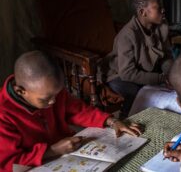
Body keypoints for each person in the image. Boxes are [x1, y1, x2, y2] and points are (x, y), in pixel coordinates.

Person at [0, 51, 142, 171]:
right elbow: (9, 163)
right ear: (21, 91)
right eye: (45, 99)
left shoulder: (50, 91)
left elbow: (77, 110)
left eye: (56, 94)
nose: (53, 102)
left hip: (69, 152)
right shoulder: (3, 114)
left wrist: (112, 121)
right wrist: (52, 151)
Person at [103, 0, 173, 117]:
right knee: (137, 94)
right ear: (143, 12)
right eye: (158, 7)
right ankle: (125, 121)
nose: (163, 10)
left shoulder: (161, 26)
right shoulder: (127, 36)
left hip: (145, 72)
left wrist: (170, 74)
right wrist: (160, 78)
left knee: (173, 87)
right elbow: (127, 73)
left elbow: (166, 55)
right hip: (120, 75)